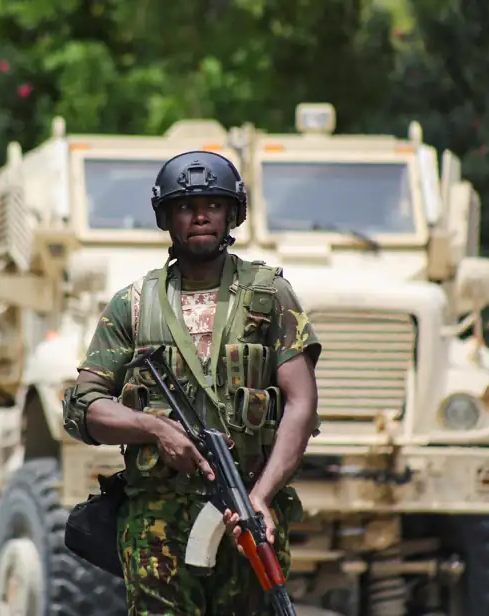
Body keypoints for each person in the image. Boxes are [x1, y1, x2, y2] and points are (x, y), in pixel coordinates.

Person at [63, 150, 321, 615]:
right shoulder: (134, 305)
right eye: (186, 206)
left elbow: (301, 405)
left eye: (213, 205)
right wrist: (156, 430)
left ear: (231, 215)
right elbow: (84, 406)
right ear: (167, 217)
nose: (201, 216)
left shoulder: (268, 295)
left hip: (248, 507)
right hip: (158, 517)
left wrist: (261, 497)